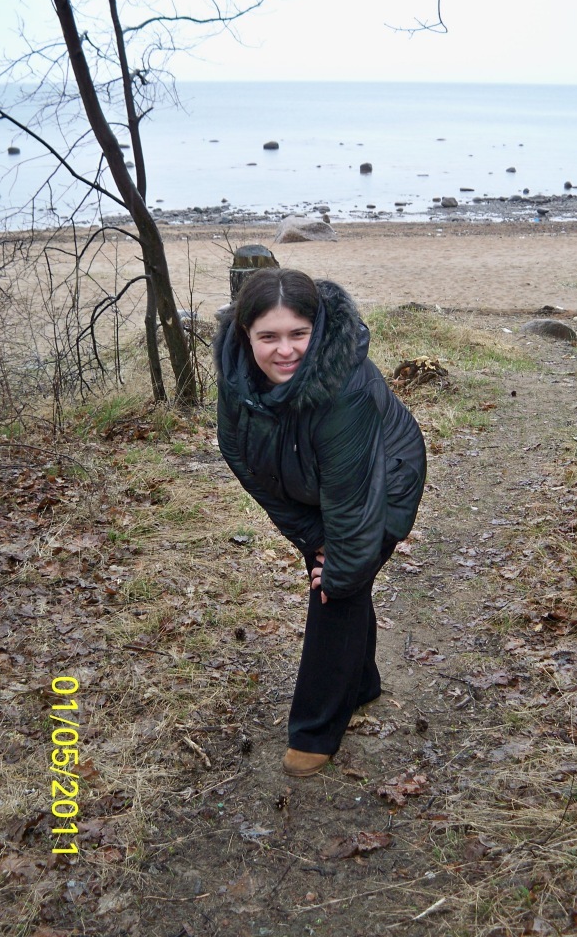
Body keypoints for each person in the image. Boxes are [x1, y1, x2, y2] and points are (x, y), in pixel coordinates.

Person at [213, 268, 426, 777]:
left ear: (318, 328)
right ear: (246, 334)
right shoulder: (236, 376)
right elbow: (242, 459)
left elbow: (353, 504)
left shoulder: (347, 385)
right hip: (310, 485)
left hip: (383, 481)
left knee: (335, 592)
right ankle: (362, 683)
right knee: (338, 575)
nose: (285, 350)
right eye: (269, 336)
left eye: (298, 334)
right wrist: (312, 536)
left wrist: (338, 568)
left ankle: (315, 730)